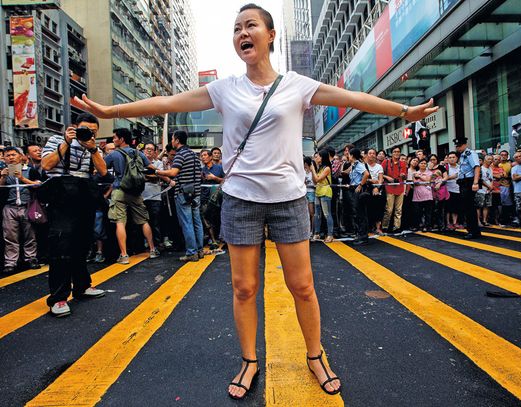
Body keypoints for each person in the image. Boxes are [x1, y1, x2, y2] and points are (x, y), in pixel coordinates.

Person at [72, 3, 437, 398]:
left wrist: (404, 111)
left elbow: (352, 98)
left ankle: (315, 356)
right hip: (241, 199)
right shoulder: (225, 89)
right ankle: (249, 360)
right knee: (243, 288)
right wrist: (110, 110)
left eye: (250, 26)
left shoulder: (297, 85)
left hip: (289, 200)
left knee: (303, 286)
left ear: (270, 35)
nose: (242, 33)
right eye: (236, 28)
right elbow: (167, 102)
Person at [41, 113, 107, 317]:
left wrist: (93, 147)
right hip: (61, 199)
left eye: (93, 132)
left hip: (83, 197)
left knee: (82, 244)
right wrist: (67, 143)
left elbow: (103, 171)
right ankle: (59, 298)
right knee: (61, 247)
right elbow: (46, 165)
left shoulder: (93, 147)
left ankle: (82, 286)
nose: (88, 134)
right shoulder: (56, 140)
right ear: (73, 127)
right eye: (85, 130)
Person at [105, 128, 160, 264]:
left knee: (120, 222)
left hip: (119, 190)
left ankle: (124, 255)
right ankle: (152, 249)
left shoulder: (114, 154)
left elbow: (101, 169)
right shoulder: (138, 153)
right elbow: (151, 167)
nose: (113, 140)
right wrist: (163, 174)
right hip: (136, 191)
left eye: (115, 138)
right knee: (143, 220)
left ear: (122, 139)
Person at [156, 130, 204, 261]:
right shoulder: (194, 155)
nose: (171, 141)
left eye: (172, 138)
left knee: (187, 223)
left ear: (177, 140)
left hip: (183, 193)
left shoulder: (180, 154)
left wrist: (157, 171)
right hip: (196, 193)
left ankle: (191, 253)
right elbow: (199, 174)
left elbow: (173, 172)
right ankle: (200, 251)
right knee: (197, 222)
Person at [0, 147, 41, 273]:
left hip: (27, 206)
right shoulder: (3, 172)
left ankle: (31, 258)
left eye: (13, 154)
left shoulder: (30, 170)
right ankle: (11, 262)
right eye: (8, 155)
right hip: (9, 207)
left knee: (30, 234)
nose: (11, 157)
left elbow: (38, 185)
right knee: (10, 236)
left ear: (20, 156)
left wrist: (22, 178)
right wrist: (2, 177)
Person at [454, 136, 482, 238]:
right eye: (457, 146)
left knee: (469, 208)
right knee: (467, 207)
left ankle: (473, 231)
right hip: (463, 182)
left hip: (469, 182)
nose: (458, 148)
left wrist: (475, 183)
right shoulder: (462, 156)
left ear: (465, 145)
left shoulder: (470, 154)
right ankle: (473, 230)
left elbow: (477, 167)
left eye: (460, 146)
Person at [381, 146, 407, 233]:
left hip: (400, 188)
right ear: (392, 153)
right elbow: (380, 173)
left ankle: (397, 227)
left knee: (398, 209)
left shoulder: (403, 163)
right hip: (389, 188)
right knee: (389, 209)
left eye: (398, 151)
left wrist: (403, 176)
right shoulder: (386, 162)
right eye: (395, 151)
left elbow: (405, 176)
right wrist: (387, 177)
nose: (397, 153)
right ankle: (385, 226)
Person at [311, 150, 334, 243]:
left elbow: (317, 179)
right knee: (317, 214)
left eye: (318, 156)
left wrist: (312, 168)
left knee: (327, 214)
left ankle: (330, 235)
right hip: (318, 191)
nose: (316, 158)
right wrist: (314, 169)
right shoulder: (320, 168)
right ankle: (316, 233)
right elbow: (314, 180)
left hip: (325, 192)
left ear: (323, 157)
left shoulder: (327, 168)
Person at [348, 148, 370, 245]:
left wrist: (360, 185)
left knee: (361, 214)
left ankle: (363, 237)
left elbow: (366, 174)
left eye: (349, 155)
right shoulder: (354, 165)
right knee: (357, 213)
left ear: (352, 155)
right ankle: (360, 234)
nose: (348, 156)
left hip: (358, 190)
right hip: (354, 189)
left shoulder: (359, 165)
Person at [365, 148, 385, 235]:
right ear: (366, 155)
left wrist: (377, 187)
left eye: (373, 153)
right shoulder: (363, 166)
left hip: (377, 190)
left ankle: (377, 228)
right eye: (370, 153)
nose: (372, 155)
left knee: (378, 209)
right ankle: (368, 227)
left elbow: (380, 179)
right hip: (367, 189)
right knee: (368, 209)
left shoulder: (379, 166)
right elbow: (363, 179)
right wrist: (371, 180)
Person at [412, 158, 433, 232]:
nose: (423, 164)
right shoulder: (415, 173)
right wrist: (419, 179)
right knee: (417, 212)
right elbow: (414, 182)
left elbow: (428, 181)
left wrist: (420, 177)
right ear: (418, 164)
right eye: (421, 163)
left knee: (427, 212)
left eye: (424, 163)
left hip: (427, 195)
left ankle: (427, 226)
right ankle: (417, 226)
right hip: (417, 195)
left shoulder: (429, 172)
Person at [475, 154, 493, 227]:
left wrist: (490, 187)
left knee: (486, 206)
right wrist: (488, 186)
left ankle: (485, 220)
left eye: (491, 159)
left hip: (488, 190)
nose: (490, 160)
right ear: (484, 160)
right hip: (481, 190)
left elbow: (491, 179)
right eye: (488, 159)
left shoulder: (490, 169)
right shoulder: (480, 169)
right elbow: (480, 180)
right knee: (478, 206)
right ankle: (478, 221)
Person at [445, 152, 461, 229]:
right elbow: (442, 177)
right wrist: (452, 177)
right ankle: (448, 223)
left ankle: (455, 222)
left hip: (458, 189)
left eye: (453, 157)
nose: (451, 159)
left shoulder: (460, 167)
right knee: (448, 208)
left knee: (456, 207)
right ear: (447, 159)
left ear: (457, 158)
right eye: (450, 157)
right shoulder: (445, 167)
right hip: (448, 190)